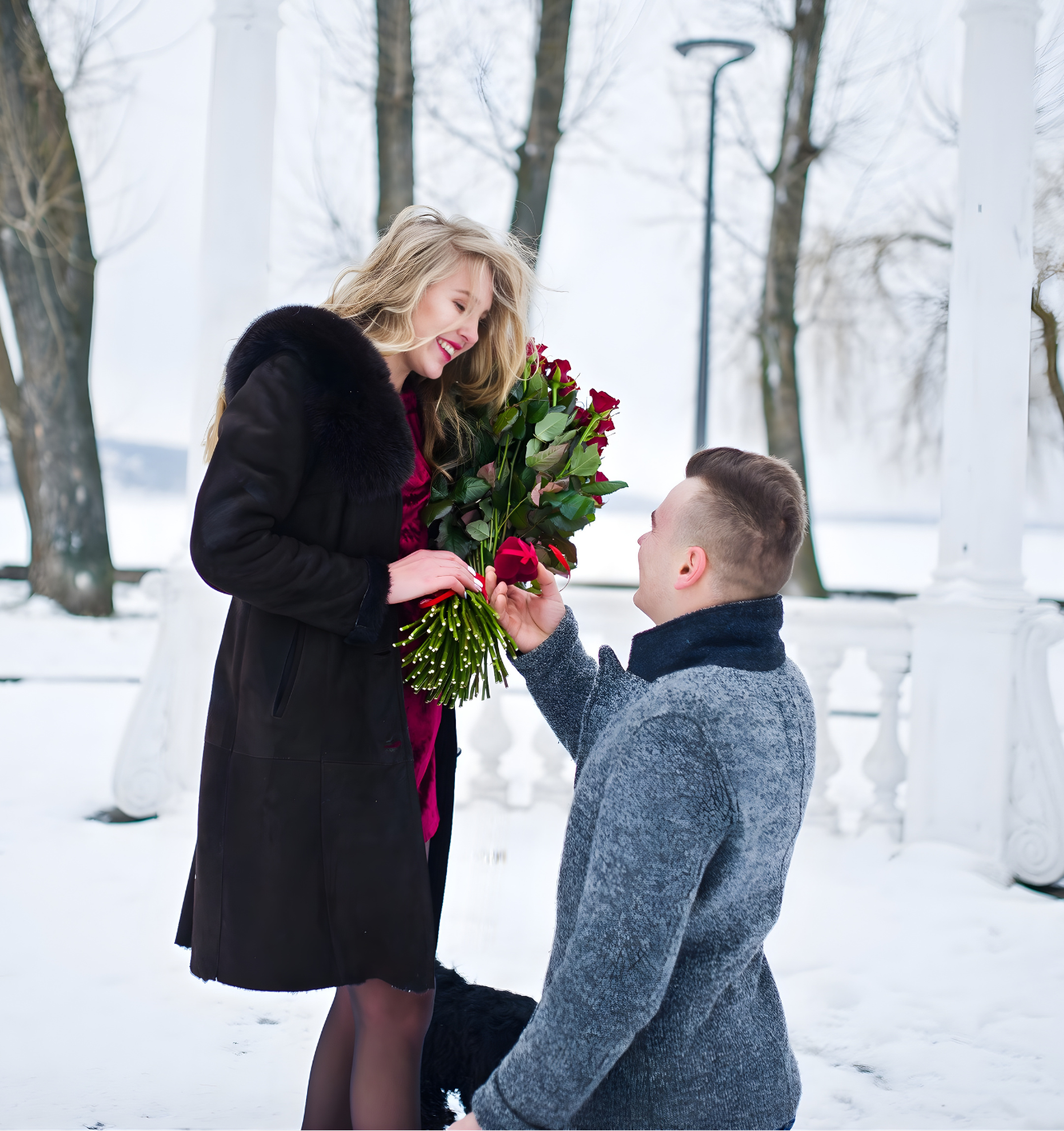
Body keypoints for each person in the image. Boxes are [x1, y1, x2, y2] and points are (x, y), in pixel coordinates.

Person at [175, 206, 535, 1130]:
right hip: (324, 741)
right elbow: (224, 544)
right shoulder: (299, 382)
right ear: (407, 279)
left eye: (483, 314)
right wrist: (384, 581)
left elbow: (416, 534)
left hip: (404, 735)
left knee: (369, 990)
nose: (470, 328)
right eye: (461, 300)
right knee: (399, 998)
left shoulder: (421, 404)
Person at [461, 447, 818, 1131]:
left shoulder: (682, 723)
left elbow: (612, 975)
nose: (640, 538)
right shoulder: (777, 685)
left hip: (658, 1108)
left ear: (691, 566)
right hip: (746, 1085)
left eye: (655, 525)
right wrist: (550, 650)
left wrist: (499, 1117)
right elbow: (638, 775)